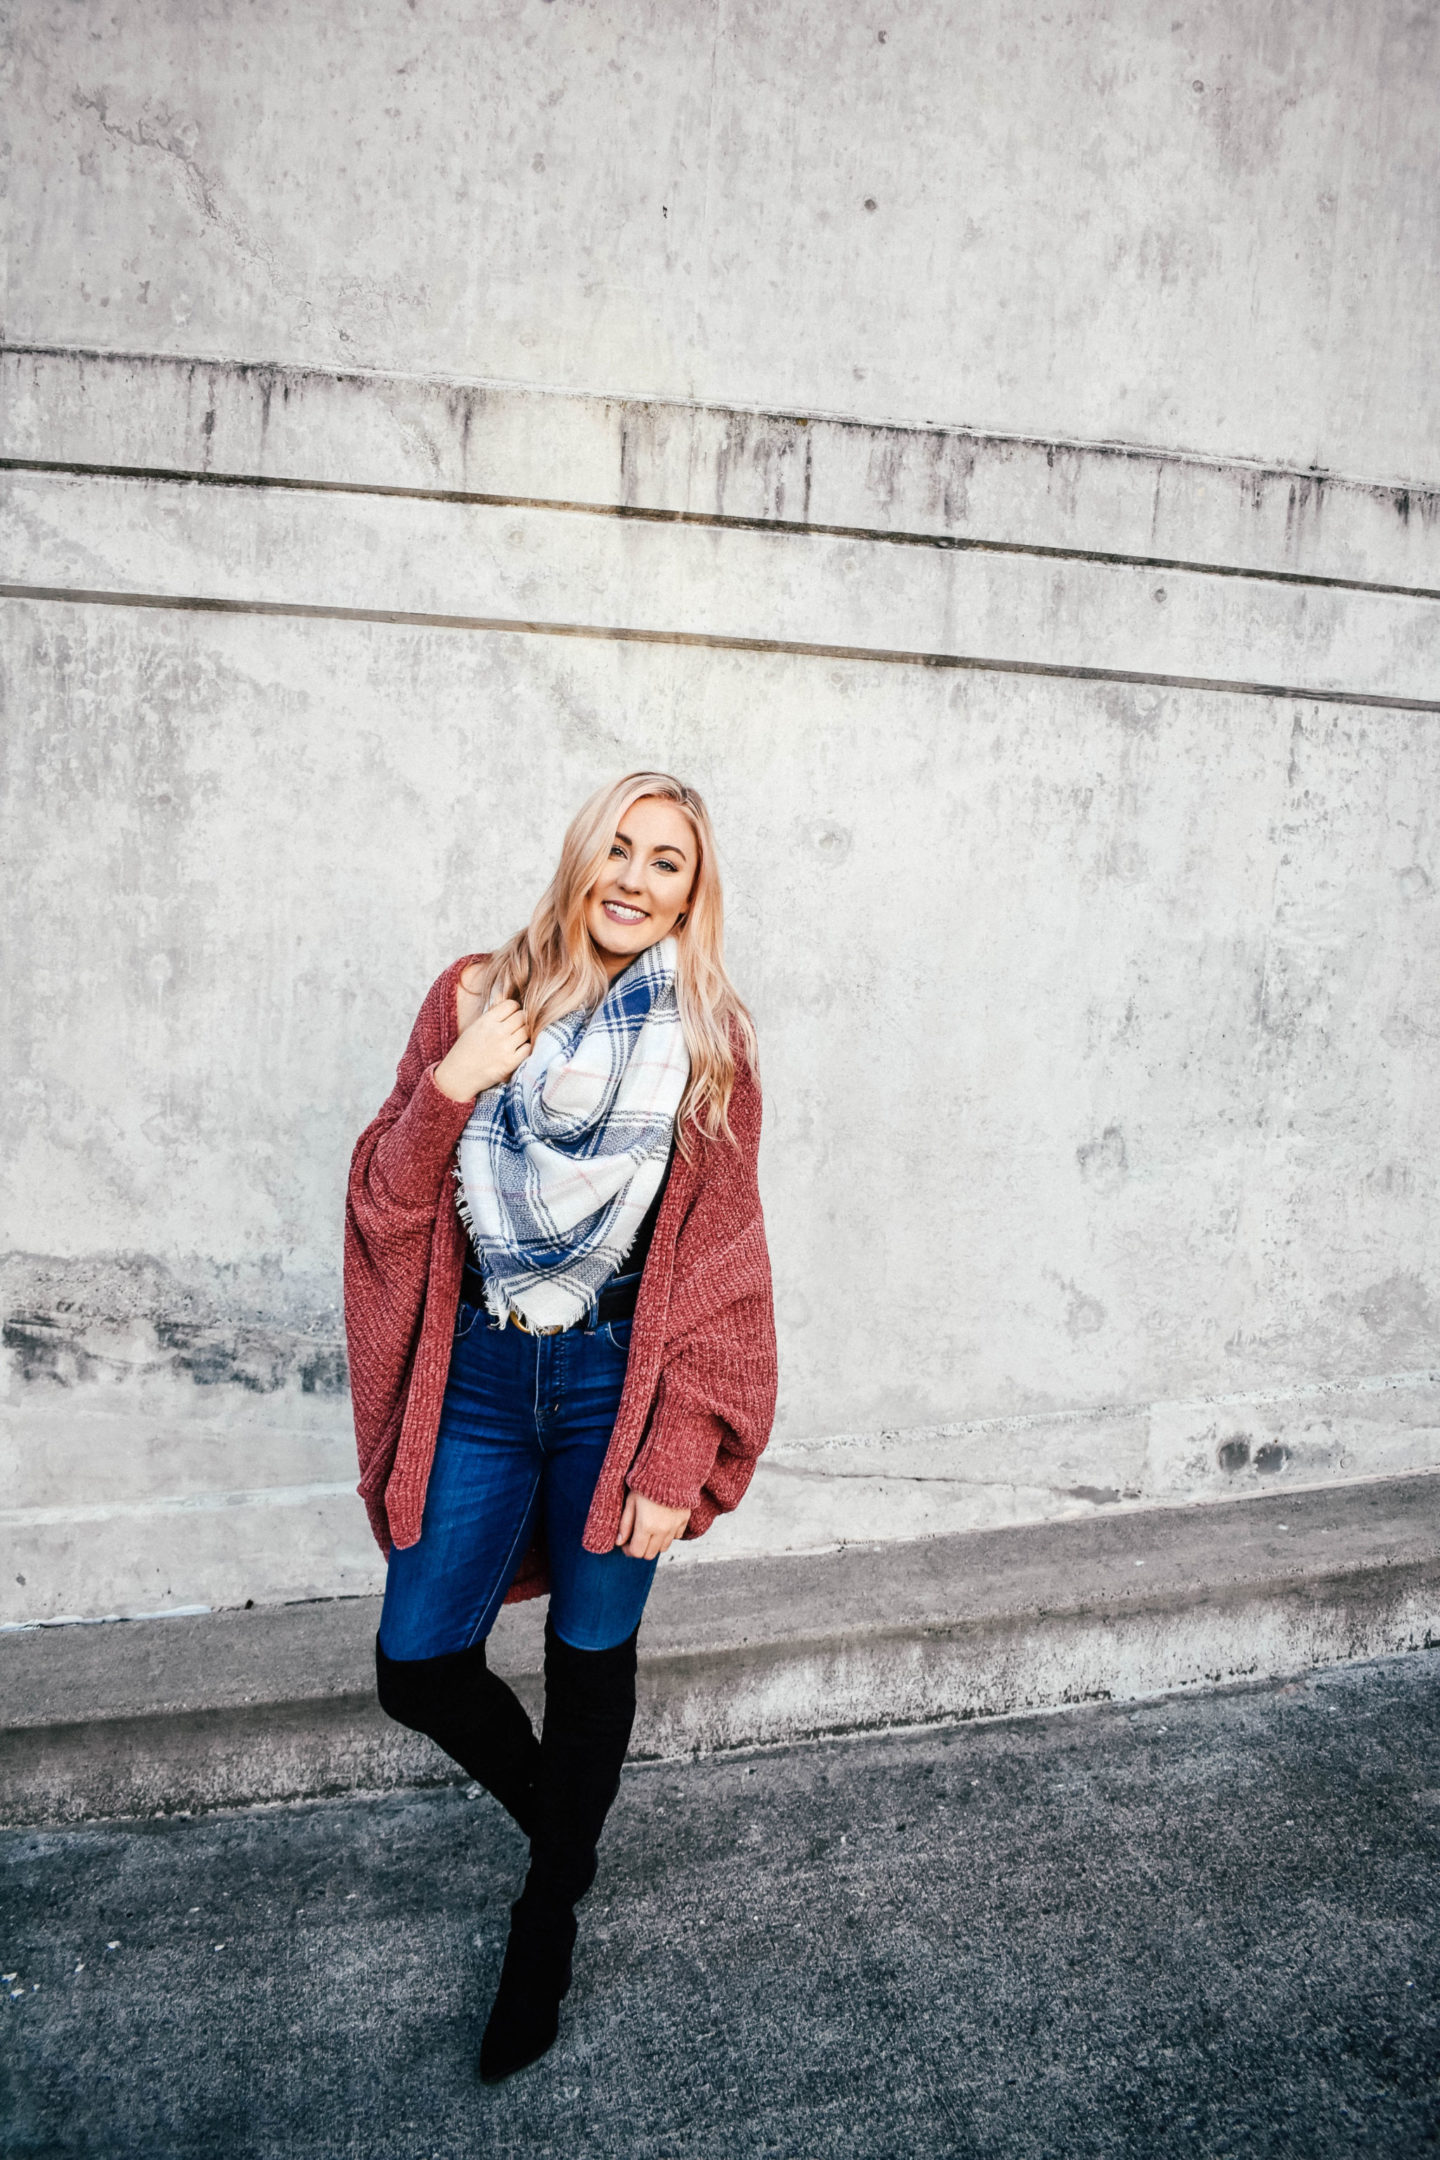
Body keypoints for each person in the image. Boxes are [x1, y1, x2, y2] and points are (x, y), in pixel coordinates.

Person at [344, 770, 777, 2082]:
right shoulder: (472, 998)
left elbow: (721, 1263)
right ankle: (569, 1832)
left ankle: (547, 1921)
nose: (638, 881)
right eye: (623, 851)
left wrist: (678, 1446)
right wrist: (451, 1085)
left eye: (670, 866)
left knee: (594, 1647)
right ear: (583, 858)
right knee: (418, 1663)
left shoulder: (713, 1040)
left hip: (614, 1384)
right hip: (477, 1375)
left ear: (693, 897)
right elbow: (382, 1202)